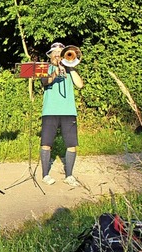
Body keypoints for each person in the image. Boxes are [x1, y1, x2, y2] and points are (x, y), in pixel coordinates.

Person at [39, 42, 84, 187]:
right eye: (55, 53)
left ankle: (69, 175)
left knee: (72, 145)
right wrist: (55, 72)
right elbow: (45, 82)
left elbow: (80, 84)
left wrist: (69, 67)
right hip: (50, 111)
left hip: (68, 111)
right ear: (50, 55)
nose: (58, 55)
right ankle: (45, 175)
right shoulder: (46, 68)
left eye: (60, 52)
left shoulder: (70, 69)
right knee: (46, 144)